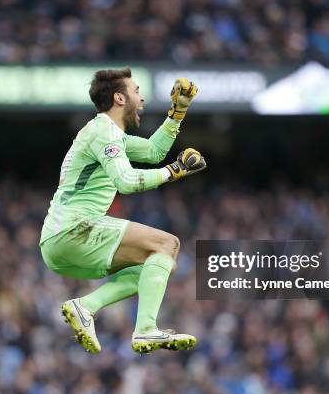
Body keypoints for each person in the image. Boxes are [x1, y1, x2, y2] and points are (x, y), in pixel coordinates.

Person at [39, 67, 206, 354]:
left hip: (59, 244)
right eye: (136, 92)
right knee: (168, 243)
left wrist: (177, 112)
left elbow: (154, 151)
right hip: (72, 228)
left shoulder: (110, 135)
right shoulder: (103, 130)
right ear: (119, 98)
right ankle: (145, 331)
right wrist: (174, 172)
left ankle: (86, 306)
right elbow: (126, 181)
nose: (141, 100)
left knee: (153, 264)